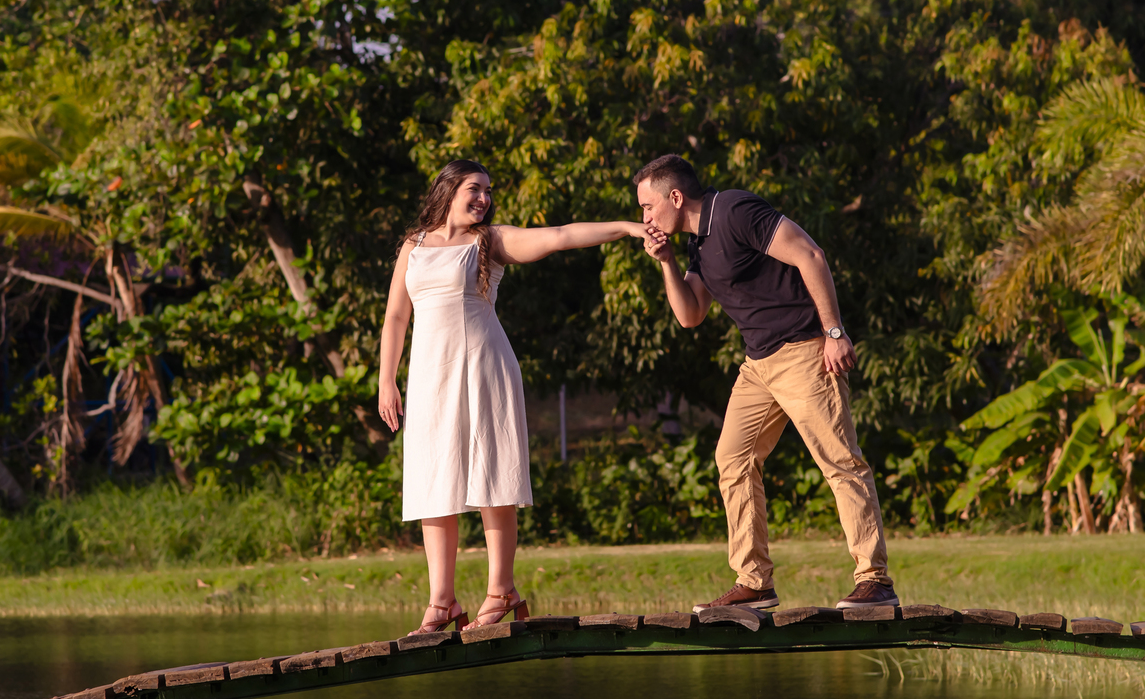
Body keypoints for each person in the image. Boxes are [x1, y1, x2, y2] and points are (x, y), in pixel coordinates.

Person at [379, 159, 652, 634]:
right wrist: (387, 380)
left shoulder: (490, 241)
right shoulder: (414, 246)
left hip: (483, 368)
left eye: (488, 190)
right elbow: (396, 317)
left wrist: (628, 228)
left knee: (492, 473)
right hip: (429, 377)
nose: (484, 198)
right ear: (449, 189)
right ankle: (442, 602)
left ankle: (500, 590)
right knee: (431, 481)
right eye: (474, 188)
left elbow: (561, 235)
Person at [635, 154, 898, 611]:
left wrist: (834, 332)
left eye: (648, 206)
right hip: (758, 364)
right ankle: (754, 582)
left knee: (839, 461)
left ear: (674, 197)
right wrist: (666, 263)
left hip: (803, 350)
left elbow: (810, 255)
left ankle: (875, 581)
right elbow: (690, 315)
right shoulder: (697, 243)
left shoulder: (734, 210)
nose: (645, 218)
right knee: (732, 459)